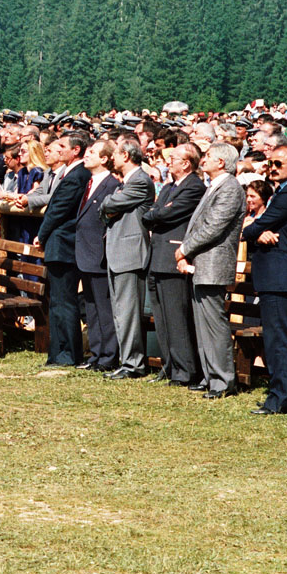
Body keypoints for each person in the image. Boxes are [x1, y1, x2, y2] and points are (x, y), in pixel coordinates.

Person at [241, 145, 287, 415]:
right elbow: (259, 227)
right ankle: (281, 396)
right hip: (274, 273)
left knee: (279, 339)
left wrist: (253, 230)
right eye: (271, 162)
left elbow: (257, 223)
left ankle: (280, 398)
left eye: (279, 163)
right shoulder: (284, 191)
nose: (273, 167)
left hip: (279, 273)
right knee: (278, 337)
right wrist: (257, 232)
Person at [177, 142, 247, 399]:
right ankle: (210, 376)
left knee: (213, 324)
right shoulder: (215, 186)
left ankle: (222, 380)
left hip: (214, 263)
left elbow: (213, 227)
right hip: (202, 263)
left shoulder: (230, 188)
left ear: (221, 162)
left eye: (207, 156)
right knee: (202, 324)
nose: (203, 159)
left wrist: (185, 248)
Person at [141, 142, 206, 388]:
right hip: (157, 255)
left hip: (174, 257)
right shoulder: (169, 187)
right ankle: (169, 365)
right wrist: (157, 212)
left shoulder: (194, 187)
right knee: (162, 316)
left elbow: (166, 214)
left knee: (177, 317)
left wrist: (157, 213)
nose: (168, 162)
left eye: (174, 158)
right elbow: (154, 212)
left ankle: (185, 369)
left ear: (186, 163)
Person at [36, 132, 92, 367]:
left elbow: (58, 210)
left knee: (64, 301)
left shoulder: (77, 175)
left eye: (61, 146)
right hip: (59, 243)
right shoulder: (70, 173)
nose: (57, 150)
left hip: (63, 244)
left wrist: (41, 234)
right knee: (58, 301)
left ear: (75, 150)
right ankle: (58, 352)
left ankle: (68, 353)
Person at [100, 139, 155, 379]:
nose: (112, 158)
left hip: (130, 254)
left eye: (115, 154)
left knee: (128, 312)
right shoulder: (126, 182)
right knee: (121, 310)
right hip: (119, 253)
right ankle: (128, 360)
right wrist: (108, 205)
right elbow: (106, 208)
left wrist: (109, 204)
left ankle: (133, 364)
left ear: (126, 155)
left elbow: (110, 203)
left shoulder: (140, 181)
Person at [74, 139, 121, 372]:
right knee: (91, 307)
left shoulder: (112, 185)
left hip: (99, 255)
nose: (86, 155)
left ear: (104, 159)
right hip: (85, 253)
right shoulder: (90, 182)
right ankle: (96, 353)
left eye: (92, 152)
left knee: (104, 308)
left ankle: (109, 356)